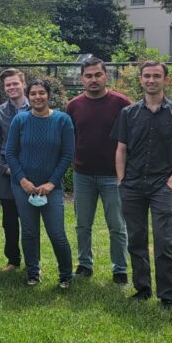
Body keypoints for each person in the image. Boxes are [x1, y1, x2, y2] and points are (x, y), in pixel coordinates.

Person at [113, 61, 172, 309]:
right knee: (136, 239)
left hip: (162, 186)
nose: (151, 80)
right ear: (140, 80)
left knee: (164, 241)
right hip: (133, 185)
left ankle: (167, 295)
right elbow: (121, 149)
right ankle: (142, 288)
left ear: (165, 80)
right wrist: (121, 179)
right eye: (147, 76)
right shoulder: (128, 114)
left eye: (156, 76)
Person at [66, 57, 131, 284]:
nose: (93, 79)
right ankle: (84, 264)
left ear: (106, 76)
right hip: (82, 174)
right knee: (83, 224)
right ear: (82, 79)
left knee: (117, 225)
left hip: (113, 176)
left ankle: (120, 269)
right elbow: (69, 137)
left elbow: (131, 139)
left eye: (97, 75)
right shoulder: (73, 106)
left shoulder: (122, 104)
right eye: (88, 76)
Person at [6, 78, 75, 288]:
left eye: (41, 93)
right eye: (33, 93)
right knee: (29, 232)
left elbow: (67, 154)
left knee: (57, 233)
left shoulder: (63, 120)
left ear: (48, 95)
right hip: (23, 187)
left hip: (50, 188)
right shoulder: (20, 120)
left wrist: (52, 183)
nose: (37, 97)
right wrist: (23, 180)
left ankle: (65, 275)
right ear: (28, 96)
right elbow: (10, 153)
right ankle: (33, 272)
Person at [0, 68, 28, 272]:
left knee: (31, 220)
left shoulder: (36, 107)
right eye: (8, 85)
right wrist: (4, 168)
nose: (12, 87)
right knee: (10, 220)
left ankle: (33, 260)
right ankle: (13, 260)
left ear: (23, 84)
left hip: (32, 172)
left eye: (15, 83)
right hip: (8, 173)